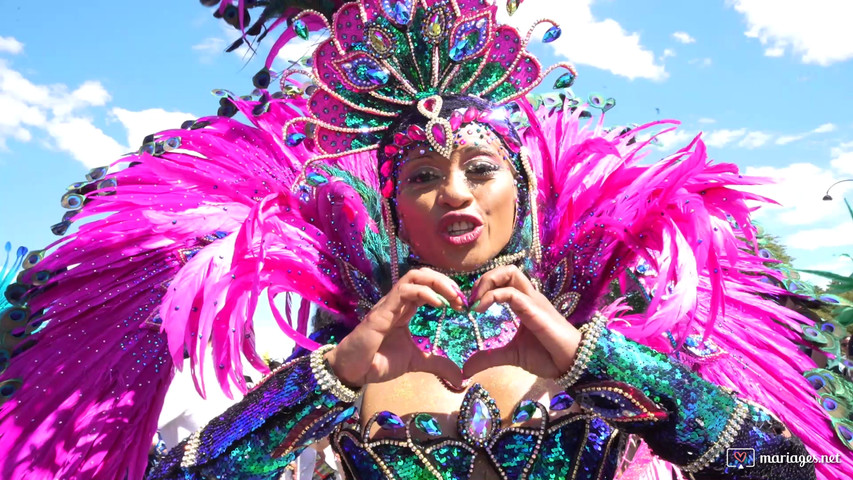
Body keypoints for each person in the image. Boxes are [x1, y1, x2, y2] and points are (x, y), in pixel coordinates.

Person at [0, 1, 849, 479]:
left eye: (479, 168)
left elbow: (781, 471)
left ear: (520, 188)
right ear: (393, 207)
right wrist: (328, 381)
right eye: (420, 177)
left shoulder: (598, 339)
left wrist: (596, 362)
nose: (453, 192)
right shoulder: (336, 355)